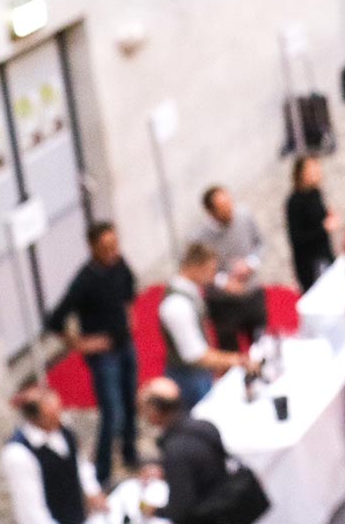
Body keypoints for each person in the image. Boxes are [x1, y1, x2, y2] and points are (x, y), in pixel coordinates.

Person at [43, 222, 137, 485]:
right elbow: (55, 320)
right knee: (112, 413)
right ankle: (102, 471)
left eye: (115, 245)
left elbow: (129, 289)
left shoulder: (119, 265)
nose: (112, 252)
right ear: (93, 247)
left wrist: (129, 317)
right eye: (106, 247)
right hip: (104, 356)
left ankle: (130, 453)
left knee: (131, 403)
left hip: (125, 345)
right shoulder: (85, 280)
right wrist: (82, 344)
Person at [157, 243, 253, 404]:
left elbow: (214, 279)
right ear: (195, 267)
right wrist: (237, 360)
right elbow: (195, 355)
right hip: (189, 380)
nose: (212, 276)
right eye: (210, 271)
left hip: (199, 375)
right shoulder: (177, 305)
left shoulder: (190, 287)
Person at [1, 382, 103, 524]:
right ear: (35, 417)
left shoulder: (63, 426)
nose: (59, 416)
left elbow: (79, 462)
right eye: (53, 412)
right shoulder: (18, 454)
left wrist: (92, 490)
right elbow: (31, 511)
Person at [139, 378, 229, 524]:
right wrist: (166, 470)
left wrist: (154, 510)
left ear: (155, 412)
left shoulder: (176, 451)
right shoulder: (205, 426)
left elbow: (181, 511)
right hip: (225, 505)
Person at [190, 185, 269, 350]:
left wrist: (250, 263)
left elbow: (260, 244)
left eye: (230, 204)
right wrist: (223, 282)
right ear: (211, 212)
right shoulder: (200, 237)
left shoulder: (244, 216)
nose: (229, 210)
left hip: (251, 292)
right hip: (223, 303)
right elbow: (196, 271)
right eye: (223, 208)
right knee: (230, 351)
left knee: (262, 344)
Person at [285, 155, 337, 292]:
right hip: (309, 263)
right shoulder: (294, 202)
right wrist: (324, 228)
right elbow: (297, 237)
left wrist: (327, 216)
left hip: (324, 254)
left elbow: (319, 216)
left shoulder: (315, 192)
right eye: (311, 171)